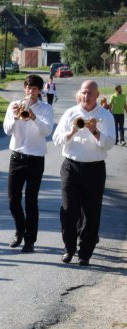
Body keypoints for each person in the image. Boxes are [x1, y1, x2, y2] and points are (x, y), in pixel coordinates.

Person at [53, 80, 114, 266]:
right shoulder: (70, 113)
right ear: (80, 94)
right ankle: (69, 249)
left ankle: (85, 253)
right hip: (71, 166)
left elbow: (110, 143)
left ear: (97, 95)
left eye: (90, 93)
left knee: (91, 212)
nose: (86, 96)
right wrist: (71, 132)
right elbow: (56, 139)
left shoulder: (105, 116)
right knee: (68, 210)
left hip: (94, 168)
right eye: (84, 92)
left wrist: (95, 131)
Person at [3, 74, 54, 253]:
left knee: (31, 201)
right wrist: (16, 117)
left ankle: (30, 240)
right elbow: (7, 130)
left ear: (39, 91)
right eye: (27, 87)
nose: (30, 91)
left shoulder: (46, 108)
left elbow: (47, 131)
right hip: (17, 157)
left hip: (35, 159)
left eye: (33, 88)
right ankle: (20, 230)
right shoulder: (14, 106)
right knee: (12, 200)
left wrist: (33, 117)